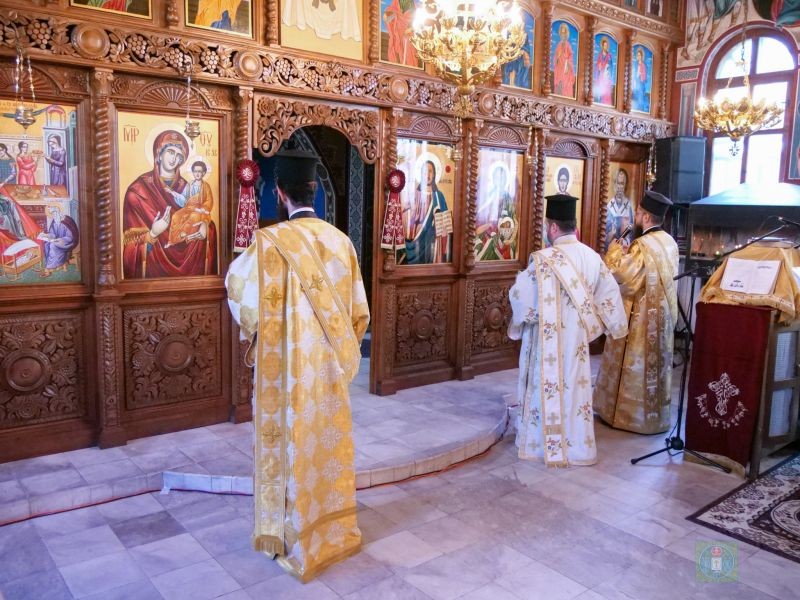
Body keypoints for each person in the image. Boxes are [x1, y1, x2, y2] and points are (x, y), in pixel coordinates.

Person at [225, 149, 369, 582]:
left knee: (294, 450)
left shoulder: (269, 245)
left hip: (287, 375)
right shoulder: (341, 242)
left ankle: (297, 538)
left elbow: (238, 291)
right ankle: (335, 533)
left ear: (278, 193)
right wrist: (339, 357)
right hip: (329, 375)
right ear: (313, 191)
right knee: (327, 448)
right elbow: (359, 314)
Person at [509, 194, 627, 466]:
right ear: (574, 225)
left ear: (552, 227)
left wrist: (520, 322)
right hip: (576, 344)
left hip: (545, 343)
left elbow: (520, 297)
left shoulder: (542, 260)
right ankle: (576, 449)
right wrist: (612, 327)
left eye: (546, 226)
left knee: (544, 387)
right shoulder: (592, 257)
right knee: (574, 391)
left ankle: (541, 446)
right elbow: (610, 296)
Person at [594, 190, 679, 434]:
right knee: (656, 365)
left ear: (646, 216)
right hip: (662, 316)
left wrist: (614, 252)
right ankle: (654, 417)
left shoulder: (643, 246)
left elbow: (625, 278)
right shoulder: (669, 242)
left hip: (641, 318)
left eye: (639, 213)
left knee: (637, 364)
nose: (636, 217)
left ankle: (629, 417)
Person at [122, 130, 217, 278]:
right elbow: (130, 248)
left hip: (191, 274)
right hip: (151, 278)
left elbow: (199, 210)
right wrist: (153, 233)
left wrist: (205, 224)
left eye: (179, 155)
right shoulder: (138, 191)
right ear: (159, 154)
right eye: (170, 152)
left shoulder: (188, 187)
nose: (174, 158)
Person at [403, 159, 452, 264]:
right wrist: (413, 215)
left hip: (433, 241)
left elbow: (446, 222)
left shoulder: (439, 196)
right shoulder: (414, 195)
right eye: (425, 171)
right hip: (416, 240)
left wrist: (440, 225)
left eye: (430, 171)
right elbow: (406, 218)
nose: (428, 175)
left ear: (434, 174)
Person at [167, 160, 215, 247]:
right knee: (175, 216)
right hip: (189, 209)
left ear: (204, 173)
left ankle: (185, 235)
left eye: (199, 171)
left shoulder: (206, 186)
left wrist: (203, 208)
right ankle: (173, 240)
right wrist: (173, 192)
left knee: (194, 216)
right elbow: (184, 199)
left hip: (201, 212)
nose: (197, 174)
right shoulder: (189, 185)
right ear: (192, 172)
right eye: (195, 171)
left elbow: (209, 200)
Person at [38, 205, 79, 275]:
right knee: (46, 244)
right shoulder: (55, 221)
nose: (53, 215)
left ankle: (51, 268)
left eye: (54, 212)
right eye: (52, 214)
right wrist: (47, 236)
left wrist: (61, 240)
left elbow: (70, 237)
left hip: (67, 242)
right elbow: (53, 234)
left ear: (58, 211)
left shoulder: (67, 220)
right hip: (57, 241)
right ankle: (51, 265)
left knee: (53, 246)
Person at [605, 168, 634, 252]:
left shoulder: (628, 206)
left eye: (622, 183)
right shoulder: (609, 206)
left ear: (625, 185)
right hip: (610, 250)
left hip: (623, 251)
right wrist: (611, 234)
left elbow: (631, 233)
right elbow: (603, 235)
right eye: (617, 183)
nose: (619, 187)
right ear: (614, 184)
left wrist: (625, 241)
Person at [383, 0, 418, 66]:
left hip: (408, 35)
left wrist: (411, 28)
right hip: (398, 32)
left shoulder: (412, 5)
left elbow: (416, 23)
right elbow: (388, 16)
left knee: (409, 53)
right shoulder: (396, 2)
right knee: (399, 51)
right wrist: (388, 14)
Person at [553, 22, 576, 97]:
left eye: (564, 33)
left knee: (565, 87)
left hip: (566, 69)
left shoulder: (568, 45)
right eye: (562, 33)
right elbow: (555, 58)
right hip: (559, 68)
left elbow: (570, 56)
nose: (563, 35)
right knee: (559, 86)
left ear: (566, 34)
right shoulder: (559, 45)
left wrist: (567, 64)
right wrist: (558, 57)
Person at [593, 36, 615, 105]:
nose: (605, 47)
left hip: (606, 78)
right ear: (602, 46)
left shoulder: (609, 56)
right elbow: (597, 66)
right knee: (600, 95)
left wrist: (608, 70)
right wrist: (599, 68)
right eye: (604, 45)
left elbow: (611, 68)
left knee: (606, 94)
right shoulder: (600, 55)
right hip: (601, 78)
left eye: (606, 45)